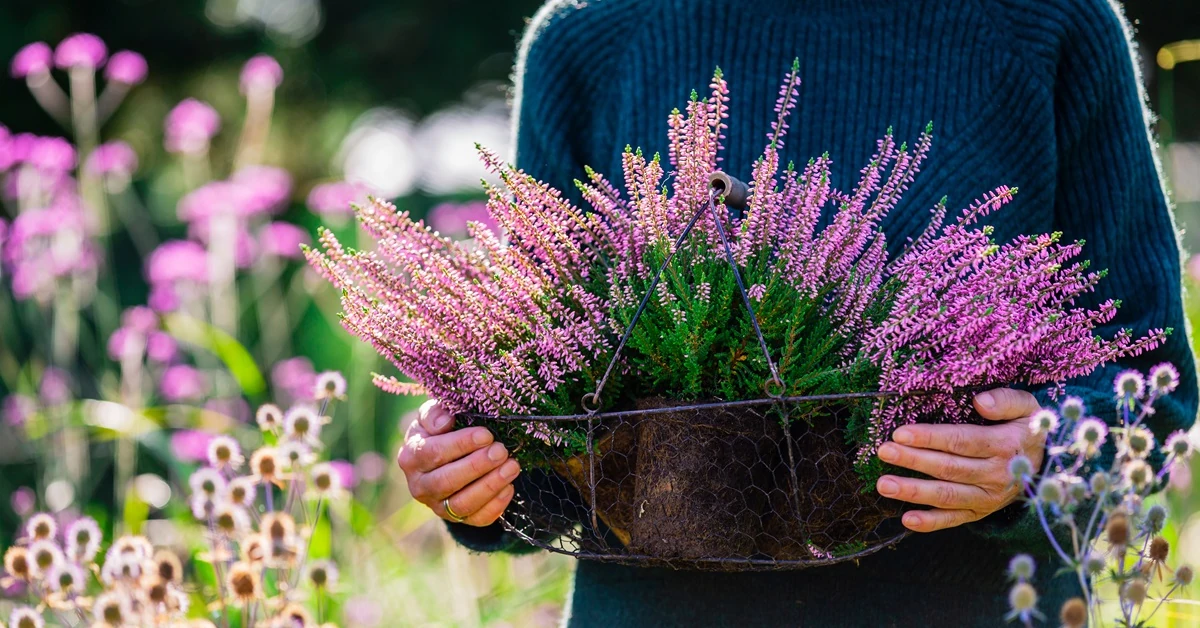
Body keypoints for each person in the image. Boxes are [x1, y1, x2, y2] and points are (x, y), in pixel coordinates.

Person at [397, 0, 1199, 625]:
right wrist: (474, 471)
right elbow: (542, 408)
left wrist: (1045, 453)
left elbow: (1151, 388)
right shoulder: (593, 38)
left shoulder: (1046, 25)